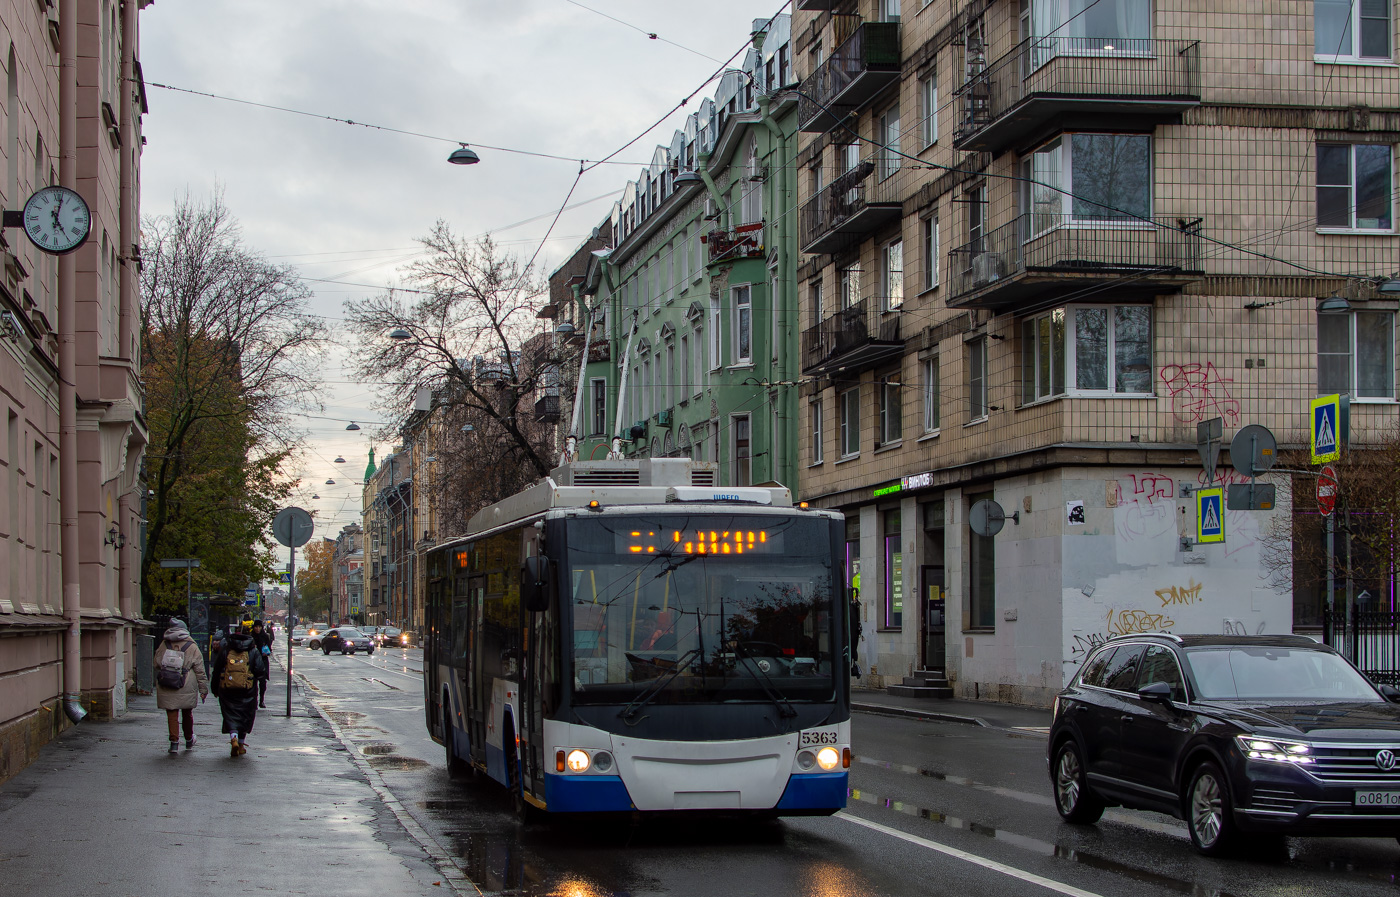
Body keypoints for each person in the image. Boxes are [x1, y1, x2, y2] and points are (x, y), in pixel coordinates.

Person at [211, 625, 267, 757]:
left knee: (230, 715)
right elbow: (260, 670)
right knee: (245, 716)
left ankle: (233, 738)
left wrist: (215, 688)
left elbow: (217, 670)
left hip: (227, 689)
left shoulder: (226, 650)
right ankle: (241, 744)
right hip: (247, 689)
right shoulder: (253, 651)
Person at [153, 619, 209, 754]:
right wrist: (203, 689)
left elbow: (156, 663)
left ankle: (174, 743)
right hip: (186, 682)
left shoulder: (164, 644)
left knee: (171, 713)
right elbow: (199, 669)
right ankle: (189, 739)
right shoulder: (192, 645)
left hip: (167, 682)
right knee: (187, 712)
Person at [250, 619, 274, 708]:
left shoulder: (265, 636)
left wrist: (267, 651)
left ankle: (261, 700)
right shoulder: (251, 637)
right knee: (253, 683)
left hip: (263, 661)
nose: (257, 629)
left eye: (259, 627)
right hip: (253, 662)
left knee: (263, 682)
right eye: (256, 627)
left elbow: (269, 649)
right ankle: (255, 701)